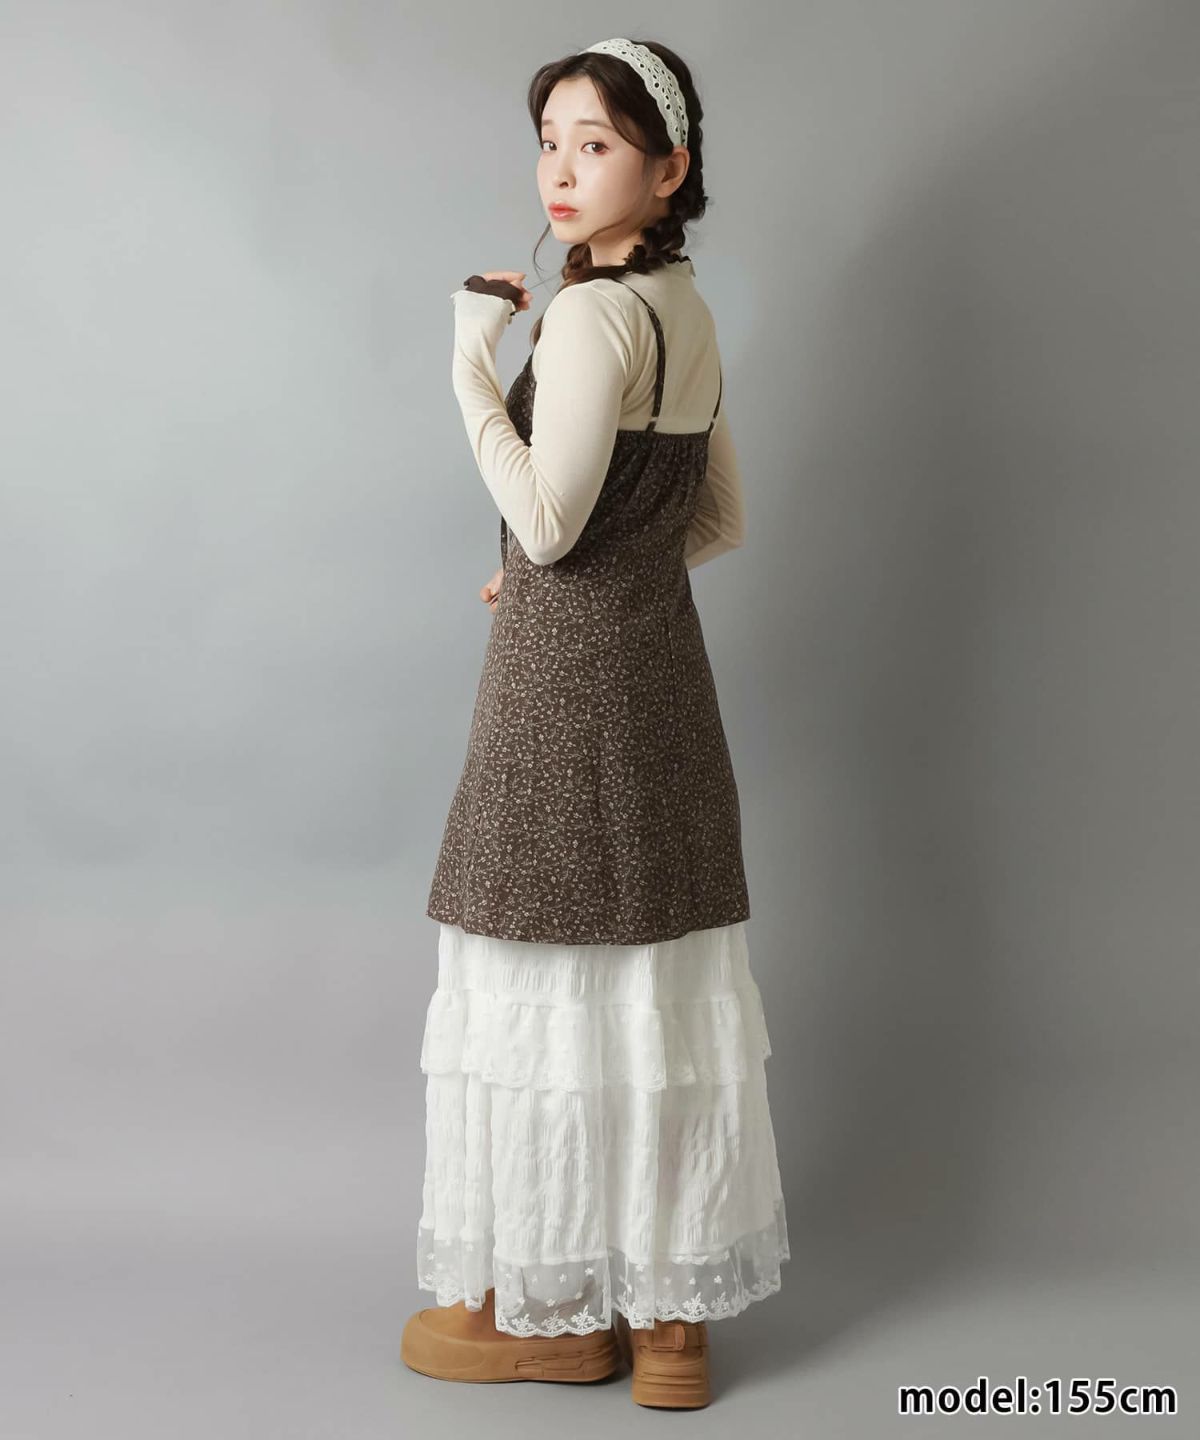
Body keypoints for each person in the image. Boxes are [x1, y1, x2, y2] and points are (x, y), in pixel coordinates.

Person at [400, 37, 789, 1409]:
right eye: (549, 141)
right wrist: (576, 573)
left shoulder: (586, 319)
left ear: (668, 169)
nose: (561, 170)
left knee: (546, 965)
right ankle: (672, 1327)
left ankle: (552, 1314)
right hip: (663, 680)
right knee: (654, 975)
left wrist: (468, 362)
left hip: (560, 693)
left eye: (598, 144)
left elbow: (553, 521)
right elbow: (715, 519)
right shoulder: (686, 308)